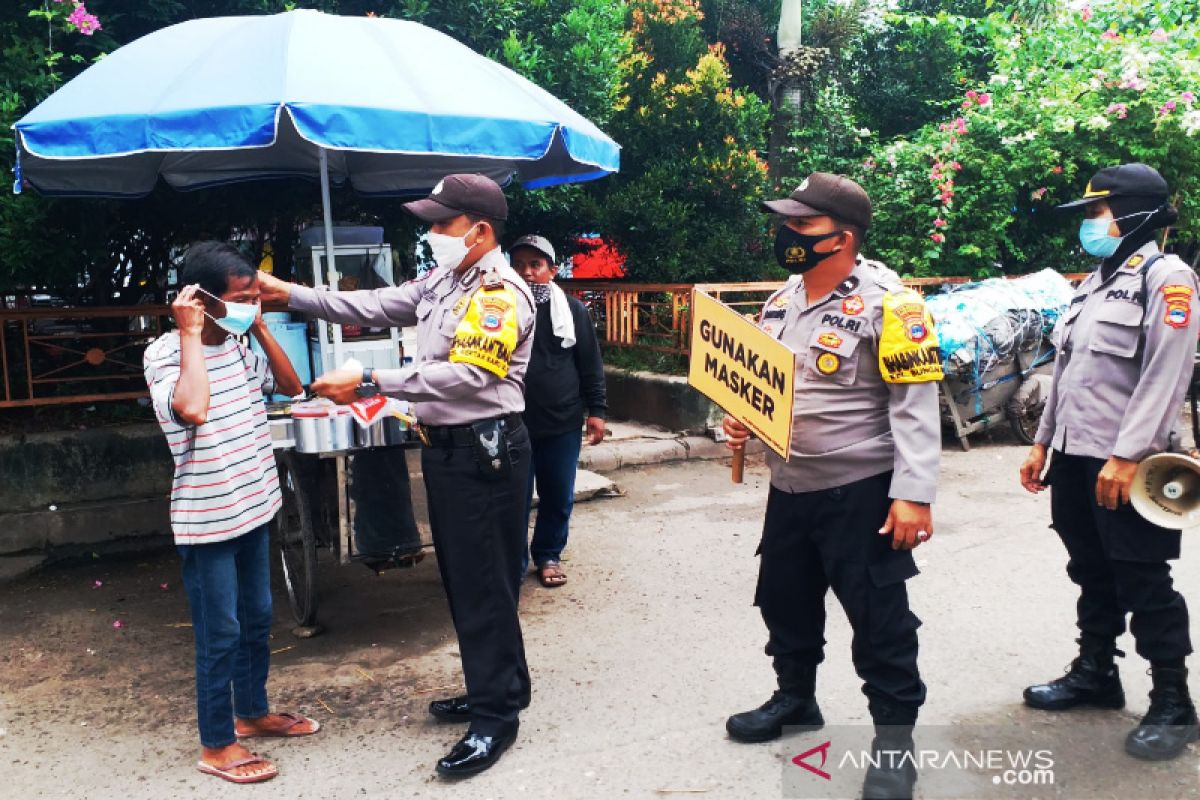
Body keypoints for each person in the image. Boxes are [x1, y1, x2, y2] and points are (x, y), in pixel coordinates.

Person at [256, 174, 535, 777]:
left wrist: (370, 382)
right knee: (468, 579)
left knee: (483, 581)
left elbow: (471, 377)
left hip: (484, 450)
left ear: (479, 230)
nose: (432, 233)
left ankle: (494, 719)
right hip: (449, 448)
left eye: (442, 224)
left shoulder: (498, 292)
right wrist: (293, 295)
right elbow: (375, 304)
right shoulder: (447, 278)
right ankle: (503, 684)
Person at [722, 173, 942, 800]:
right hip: (789, 488)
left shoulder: (890, 304)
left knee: (880, 626)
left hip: (861, 491)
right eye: (786, 222)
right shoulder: (780, 301)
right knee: (784, 603)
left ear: (841, 237)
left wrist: (914, 494)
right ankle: (796, 701)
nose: (786, 233)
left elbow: (915, 406)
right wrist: (741, 416)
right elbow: (765, 387)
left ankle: (895, 749)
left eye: (801, 224)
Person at [1019, 163, 1199, 760]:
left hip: (1133, 463)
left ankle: (1173, 701)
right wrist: (1043, 441)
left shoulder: (1167, 279)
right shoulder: (1092, 284)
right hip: (1075, 457)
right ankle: (1096, 671)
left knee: (1143, 577)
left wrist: (1126, 456)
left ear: (1133, 213)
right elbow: (1067, 373)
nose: (1091, 224)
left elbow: (1165, 377)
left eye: (1097, 212)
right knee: (1090, 568)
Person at [142, 242, 316, 785]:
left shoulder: (242, 347)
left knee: (258, 619)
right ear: (199, 300)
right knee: (220, 632)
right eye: (242, 299)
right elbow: (192, 408)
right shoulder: (166, 353)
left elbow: (290, 387)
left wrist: (259, 327)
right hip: (209, 519)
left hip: (255, 505)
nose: (250, 304)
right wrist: (192, 333)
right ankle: (217, 744)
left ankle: (252, 713)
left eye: (254, 296)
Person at [511, 234, 607, 588]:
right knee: (514, 498)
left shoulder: (573, 311)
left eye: (535, 265)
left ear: (552, 270)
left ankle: (549, 554)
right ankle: (514, 562)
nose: (527, 273)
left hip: (562, 420)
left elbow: (590, 364)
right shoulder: (498, 309)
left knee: (557, 493)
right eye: (518, 265)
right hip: (512, 421)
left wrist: (596, 409)